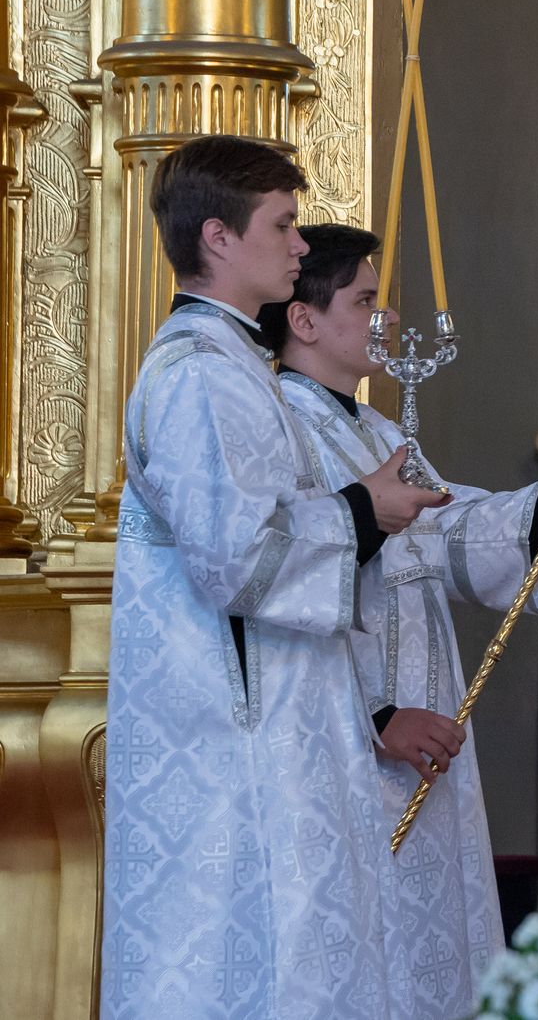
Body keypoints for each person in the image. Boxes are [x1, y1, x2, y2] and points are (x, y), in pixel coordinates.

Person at [102, 135, 447, 1018]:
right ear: (218, 237)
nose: (300, 244)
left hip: (277, 728)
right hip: (234, 747)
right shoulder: (200, 375)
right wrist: (364, 508)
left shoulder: (233, 367)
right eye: (284, 224)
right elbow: (237, 556)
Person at [256, 223, 538, 1019]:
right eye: (365, 301)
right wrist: (376, 715)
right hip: (343, 752)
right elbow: (276, 596)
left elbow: (452, 539)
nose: (385, 318)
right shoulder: (278, 434)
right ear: (304, 319)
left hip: (424, 748)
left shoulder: (378, 432)